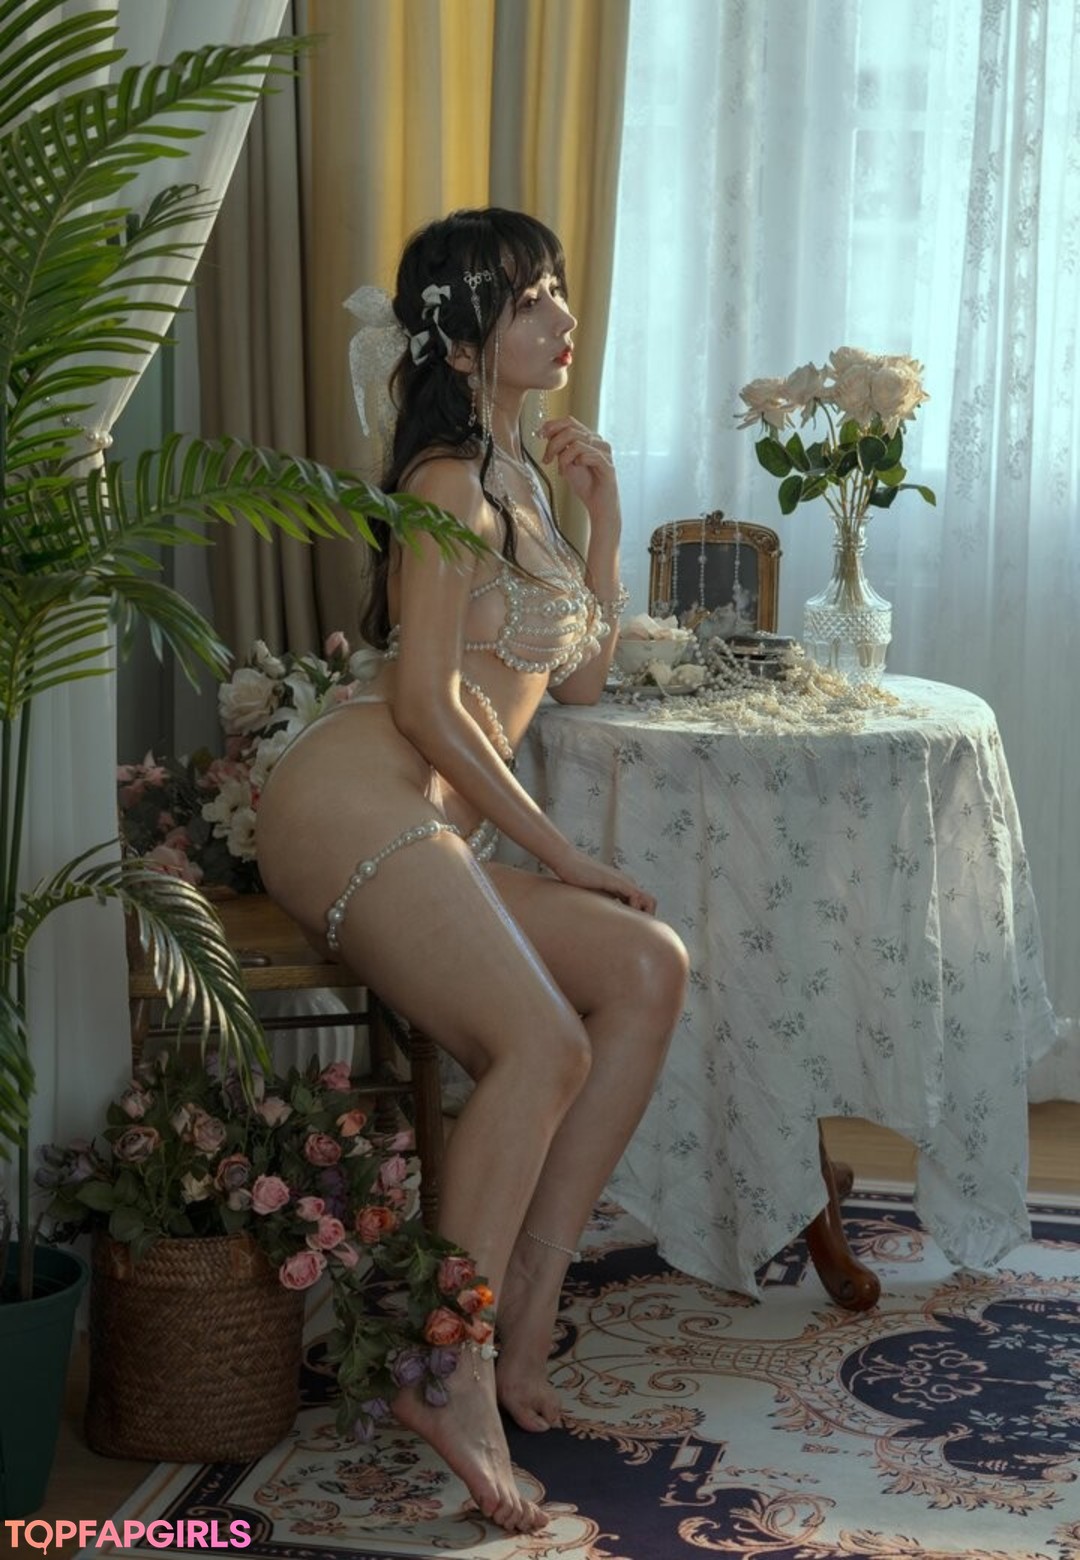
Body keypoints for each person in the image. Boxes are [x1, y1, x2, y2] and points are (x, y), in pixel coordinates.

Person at [255, 207, 688, 1536]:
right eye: (533, 299)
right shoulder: (445, 481)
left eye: (557, 292)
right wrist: (562, 853)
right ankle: (447, 1367)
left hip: (433, 821)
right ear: (461, 339)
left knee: (647, 968)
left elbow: (584, 676)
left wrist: (605, 515)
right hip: (351, 798)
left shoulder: (526, 483)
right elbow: (431, 705)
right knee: (542, 1046)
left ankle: (526, 1320)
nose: (563, 316)